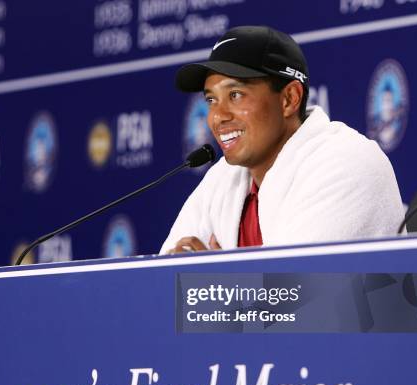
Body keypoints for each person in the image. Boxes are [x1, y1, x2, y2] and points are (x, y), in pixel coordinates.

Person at [160, 26, 404, 254]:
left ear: (289, 98)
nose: (217, 117)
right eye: (211, 100)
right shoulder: (222, 178)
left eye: (235, 95)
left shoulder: (348, 162)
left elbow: (296, 289)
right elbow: (161, 282)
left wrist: (210, 281)